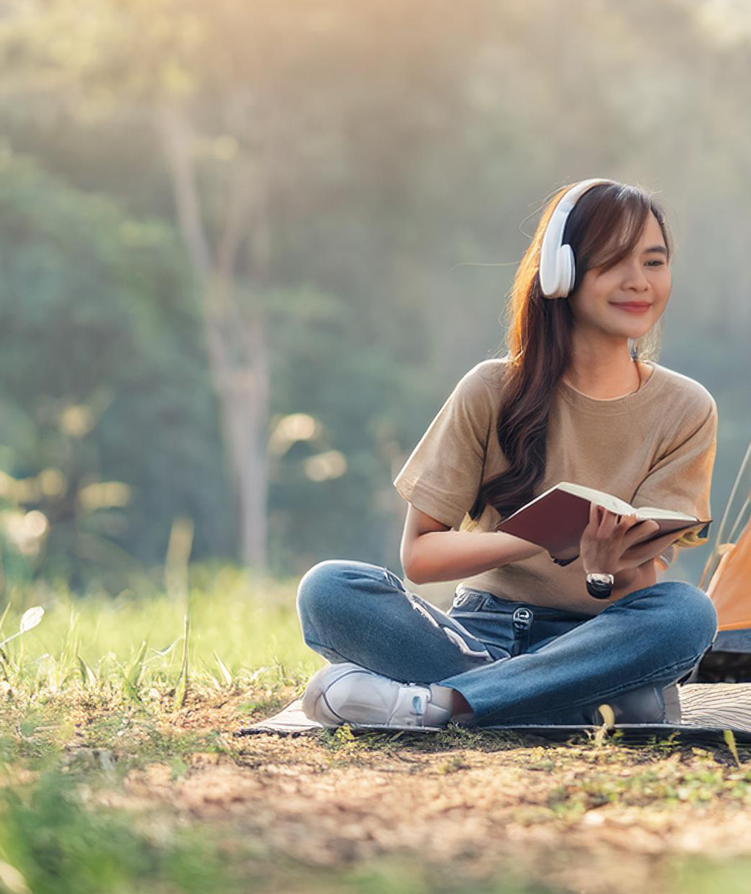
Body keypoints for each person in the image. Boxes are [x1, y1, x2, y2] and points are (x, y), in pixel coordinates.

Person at [295, 179, 718, 729]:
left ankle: (444, 705)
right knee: (329, 588)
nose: (639, 282)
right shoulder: (491, 389)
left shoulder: (686, 408)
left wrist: (602, 572)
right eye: (614, 261)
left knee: (688, 613)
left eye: (654, 262)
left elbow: (646, 585)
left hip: (596, 639)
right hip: (476, 633)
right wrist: (533, 535)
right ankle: (576, 704)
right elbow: (419, 558)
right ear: (561, 272)